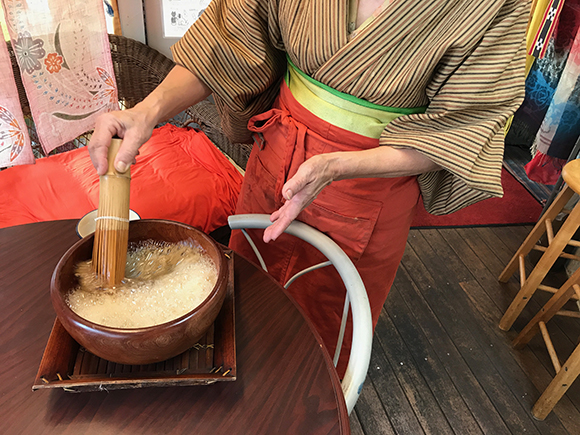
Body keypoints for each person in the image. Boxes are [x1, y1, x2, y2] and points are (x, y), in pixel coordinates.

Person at [89, 0, 530, 375]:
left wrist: (341, 164)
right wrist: (146, 112)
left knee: (326, 321)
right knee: (247, 290)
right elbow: (225, 46)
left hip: (372, 183)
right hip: (276, 154)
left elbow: (467, 126)